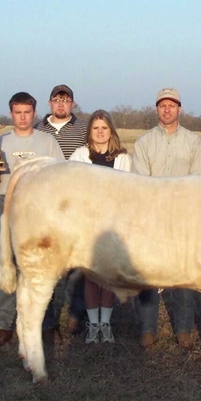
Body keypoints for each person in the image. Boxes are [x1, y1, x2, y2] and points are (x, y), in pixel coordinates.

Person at [0, 91, 64, 347]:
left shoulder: (47, 142)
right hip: (8, 205)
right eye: (17, 113)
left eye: (27, 112)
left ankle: (46, 323)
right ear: (11, 114)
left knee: (44, 265)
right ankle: (3, 322)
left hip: (40, 210)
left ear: (34, 113)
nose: (22, 117)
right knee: (5, 260)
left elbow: (59, 175)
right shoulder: (0, 142)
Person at [132, 87, 201, 349]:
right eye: (162, 105)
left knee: (184, 274)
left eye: (172, 105)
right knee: (148, 273)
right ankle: (147, 328)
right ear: (156, 109)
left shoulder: (194, 143)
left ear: (179, 109)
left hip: (183, 219)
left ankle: (184, 329)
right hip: (152, 219)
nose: (167, 109)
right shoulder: (143, 143)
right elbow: (141, 183)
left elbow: (198, 182)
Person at [69, 110, 132, 343]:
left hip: (113, 225)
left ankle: (105, 324)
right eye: (96, 128)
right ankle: (92, 324)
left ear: (111, 131)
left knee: (108, 277)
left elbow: (126, 193)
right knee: (90, 276)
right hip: (87, 225)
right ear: (90, 131)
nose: (100, 132)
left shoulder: (123, 158)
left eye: (104, 128)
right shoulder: (79, 155)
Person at [36, 84, 88, 335]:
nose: (61, 104)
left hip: (76, 204)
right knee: (47, 262)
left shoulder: (82, 129)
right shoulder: (38, 130)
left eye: (65, 100)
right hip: (46, 205)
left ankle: (77, 316)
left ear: (73, 104)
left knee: (77, 264)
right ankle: (47, 320)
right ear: (49, 103)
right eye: (56, 99)